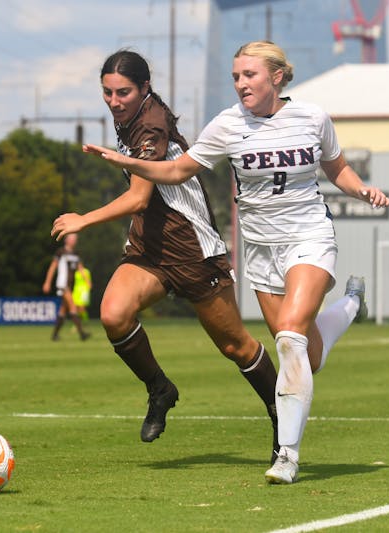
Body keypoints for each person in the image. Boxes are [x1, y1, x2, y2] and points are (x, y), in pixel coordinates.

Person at [76, 41, 389, 484]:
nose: (242, 84)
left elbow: (336, 167)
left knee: (286, 337)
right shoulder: (227, 124)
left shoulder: (313, 117)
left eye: (250, 75)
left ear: (277, 76)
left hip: (299, 239)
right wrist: (123, 160)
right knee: (307, 354)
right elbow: (178, 170)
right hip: (259, 248)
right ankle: (351, 308)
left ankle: (287, 453)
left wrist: (361, 189)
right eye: (236, 77)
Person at [50, 50, 281, 462]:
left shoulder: (151, 126)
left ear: (144, 89)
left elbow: (139, 198)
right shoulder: (127, 117)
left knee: (236, 347)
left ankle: (283, 415)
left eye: (123, 92)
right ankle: (160, 389)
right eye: (107, 92)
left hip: (191, 247)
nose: (114, 100)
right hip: (149, 245)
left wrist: (84, 220)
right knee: (113, 315)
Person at [42, 233, 90, 341]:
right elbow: (52, 267)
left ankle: (54, 335)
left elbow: (80, 268)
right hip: (62, 284)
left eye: (75, 239)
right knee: (72, 307)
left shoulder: (76, 254)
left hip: (70, 286)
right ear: (66, 240)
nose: (74, 241)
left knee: (63, 311)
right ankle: (82, 333)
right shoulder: (61, 252)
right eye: (73, 239)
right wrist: (47, 282)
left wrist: (87, 281)